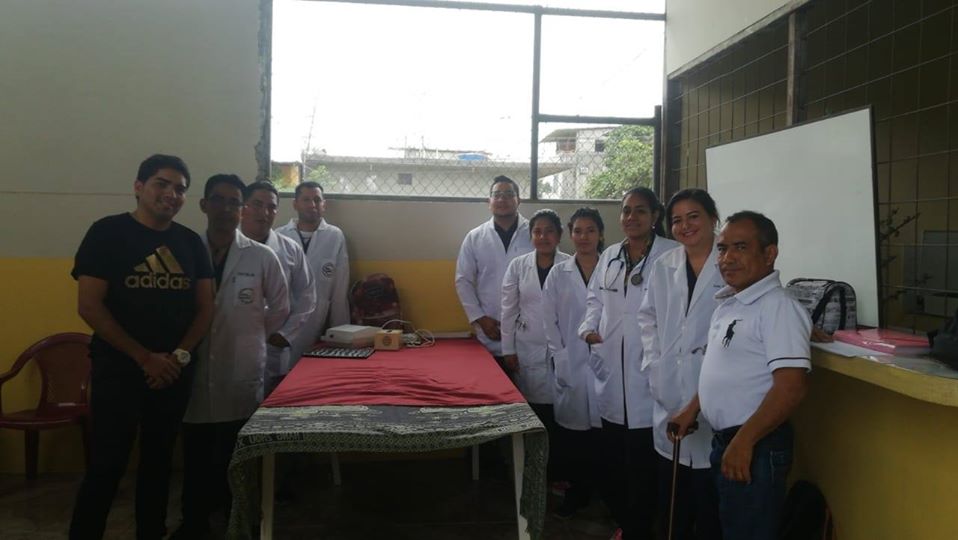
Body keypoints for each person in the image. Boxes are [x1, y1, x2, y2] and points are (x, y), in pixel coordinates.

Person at [68, 154, 214, 540]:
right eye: (161, 184)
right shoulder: (107, 233)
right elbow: (89, 305)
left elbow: (206, 308)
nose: (171, 194)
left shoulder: (190, 243)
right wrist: (144, 357)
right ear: (138, 187)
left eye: (180, 189)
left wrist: (178, 357)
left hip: (172, 373)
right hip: (119, 370)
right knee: (107, 465)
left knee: (159, 463)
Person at [671, 211, 812, 540]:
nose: (727, 258)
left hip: (756, 444)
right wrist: (692, 408)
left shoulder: (777, 307)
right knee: (732, 527)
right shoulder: (730, 305)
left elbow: (791, 388)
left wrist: (744, 441)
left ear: (769, 253)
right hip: (728, 441)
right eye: (722, 249)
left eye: (741, 247)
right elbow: (724, 369)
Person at [173, 174, 289, 538]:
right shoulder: (183, 250)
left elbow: (281, 307)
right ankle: (193, 523)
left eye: (234, 202)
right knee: (195, 455)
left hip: (241, 368)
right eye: (218, 200)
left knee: (237, 455)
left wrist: (249, 333)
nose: (226, 209)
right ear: (203, 205)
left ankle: (239, 521)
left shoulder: (261, 256)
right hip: (193, 366)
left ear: (242, 209)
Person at [578, 187, 679, 540]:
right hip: (610, 369)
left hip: (648, 372)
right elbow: (594, 299)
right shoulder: (610, 255)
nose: (631, 217)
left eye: (640, 210)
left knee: (643, 463)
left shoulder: (671, 254)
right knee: (615, 460)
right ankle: (626, 523)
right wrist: (588, 328)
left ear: (655, 216)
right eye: (626, 211)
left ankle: (639, 528)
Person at [637, 189, 724, 539]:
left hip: (714, 391)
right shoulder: (665, 265)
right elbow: (647, 318)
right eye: (677, 220)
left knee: (710, 501)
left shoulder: (730, 263)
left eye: (694, 216)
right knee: (674, 498)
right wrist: (654, 363)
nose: (685, 225)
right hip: (669, 389)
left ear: (713, 218)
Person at [541, 207, 605, 518]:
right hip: (572, 361)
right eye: (578, 231)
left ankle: (607, 494)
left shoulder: (613, 268)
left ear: (601, 234)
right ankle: (576, 494)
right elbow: (548, 320)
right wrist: (561, 356)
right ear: (570, 234)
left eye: (590, 230)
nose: (584, 237)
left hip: (607, 362)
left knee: (605, 434)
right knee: (574, 436)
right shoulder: (559, 273)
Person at [501, 209, 570, 473]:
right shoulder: (518, 266)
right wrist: (508, 349)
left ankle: (556, 471)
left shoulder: (570, 265)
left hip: (561, 347)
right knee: (532, 410)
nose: (543, 237)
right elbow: (508, 310)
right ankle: (530, 470)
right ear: (531, 236)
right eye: (537, 232)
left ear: (559, 235)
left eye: (549, 231)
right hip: (527, 346)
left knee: (559, 412)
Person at [240, 180, 316, 395]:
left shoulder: (290, 249)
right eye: (257, 204)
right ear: (243, 207)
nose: (264, 213)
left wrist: (285, 334)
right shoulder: (229, 247)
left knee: (270, 401)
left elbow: (307, 296)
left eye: (271, 207)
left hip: (274, 345)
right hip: (234, 343)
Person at [455, 175, 534, 364]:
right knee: (493, 377)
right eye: (497, 195)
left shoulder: (536, 233)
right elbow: (463, 281)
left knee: (531, 378)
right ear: (488, 201)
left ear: (518, 200)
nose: (502, 199)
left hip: (530, 326)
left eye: (508, 194)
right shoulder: (475, 237)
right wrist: (480, 318)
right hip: (490, 328)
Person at [276, 181, 349, 364]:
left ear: (324, 204)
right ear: (295, 204)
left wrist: (341, 334)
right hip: (282, 321)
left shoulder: (335, 236)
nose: (312, 205)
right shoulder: (279, 236)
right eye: (306, 200)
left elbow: (339, 289)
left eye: (317, 200)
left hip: (317, 320)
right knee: (279, 369)